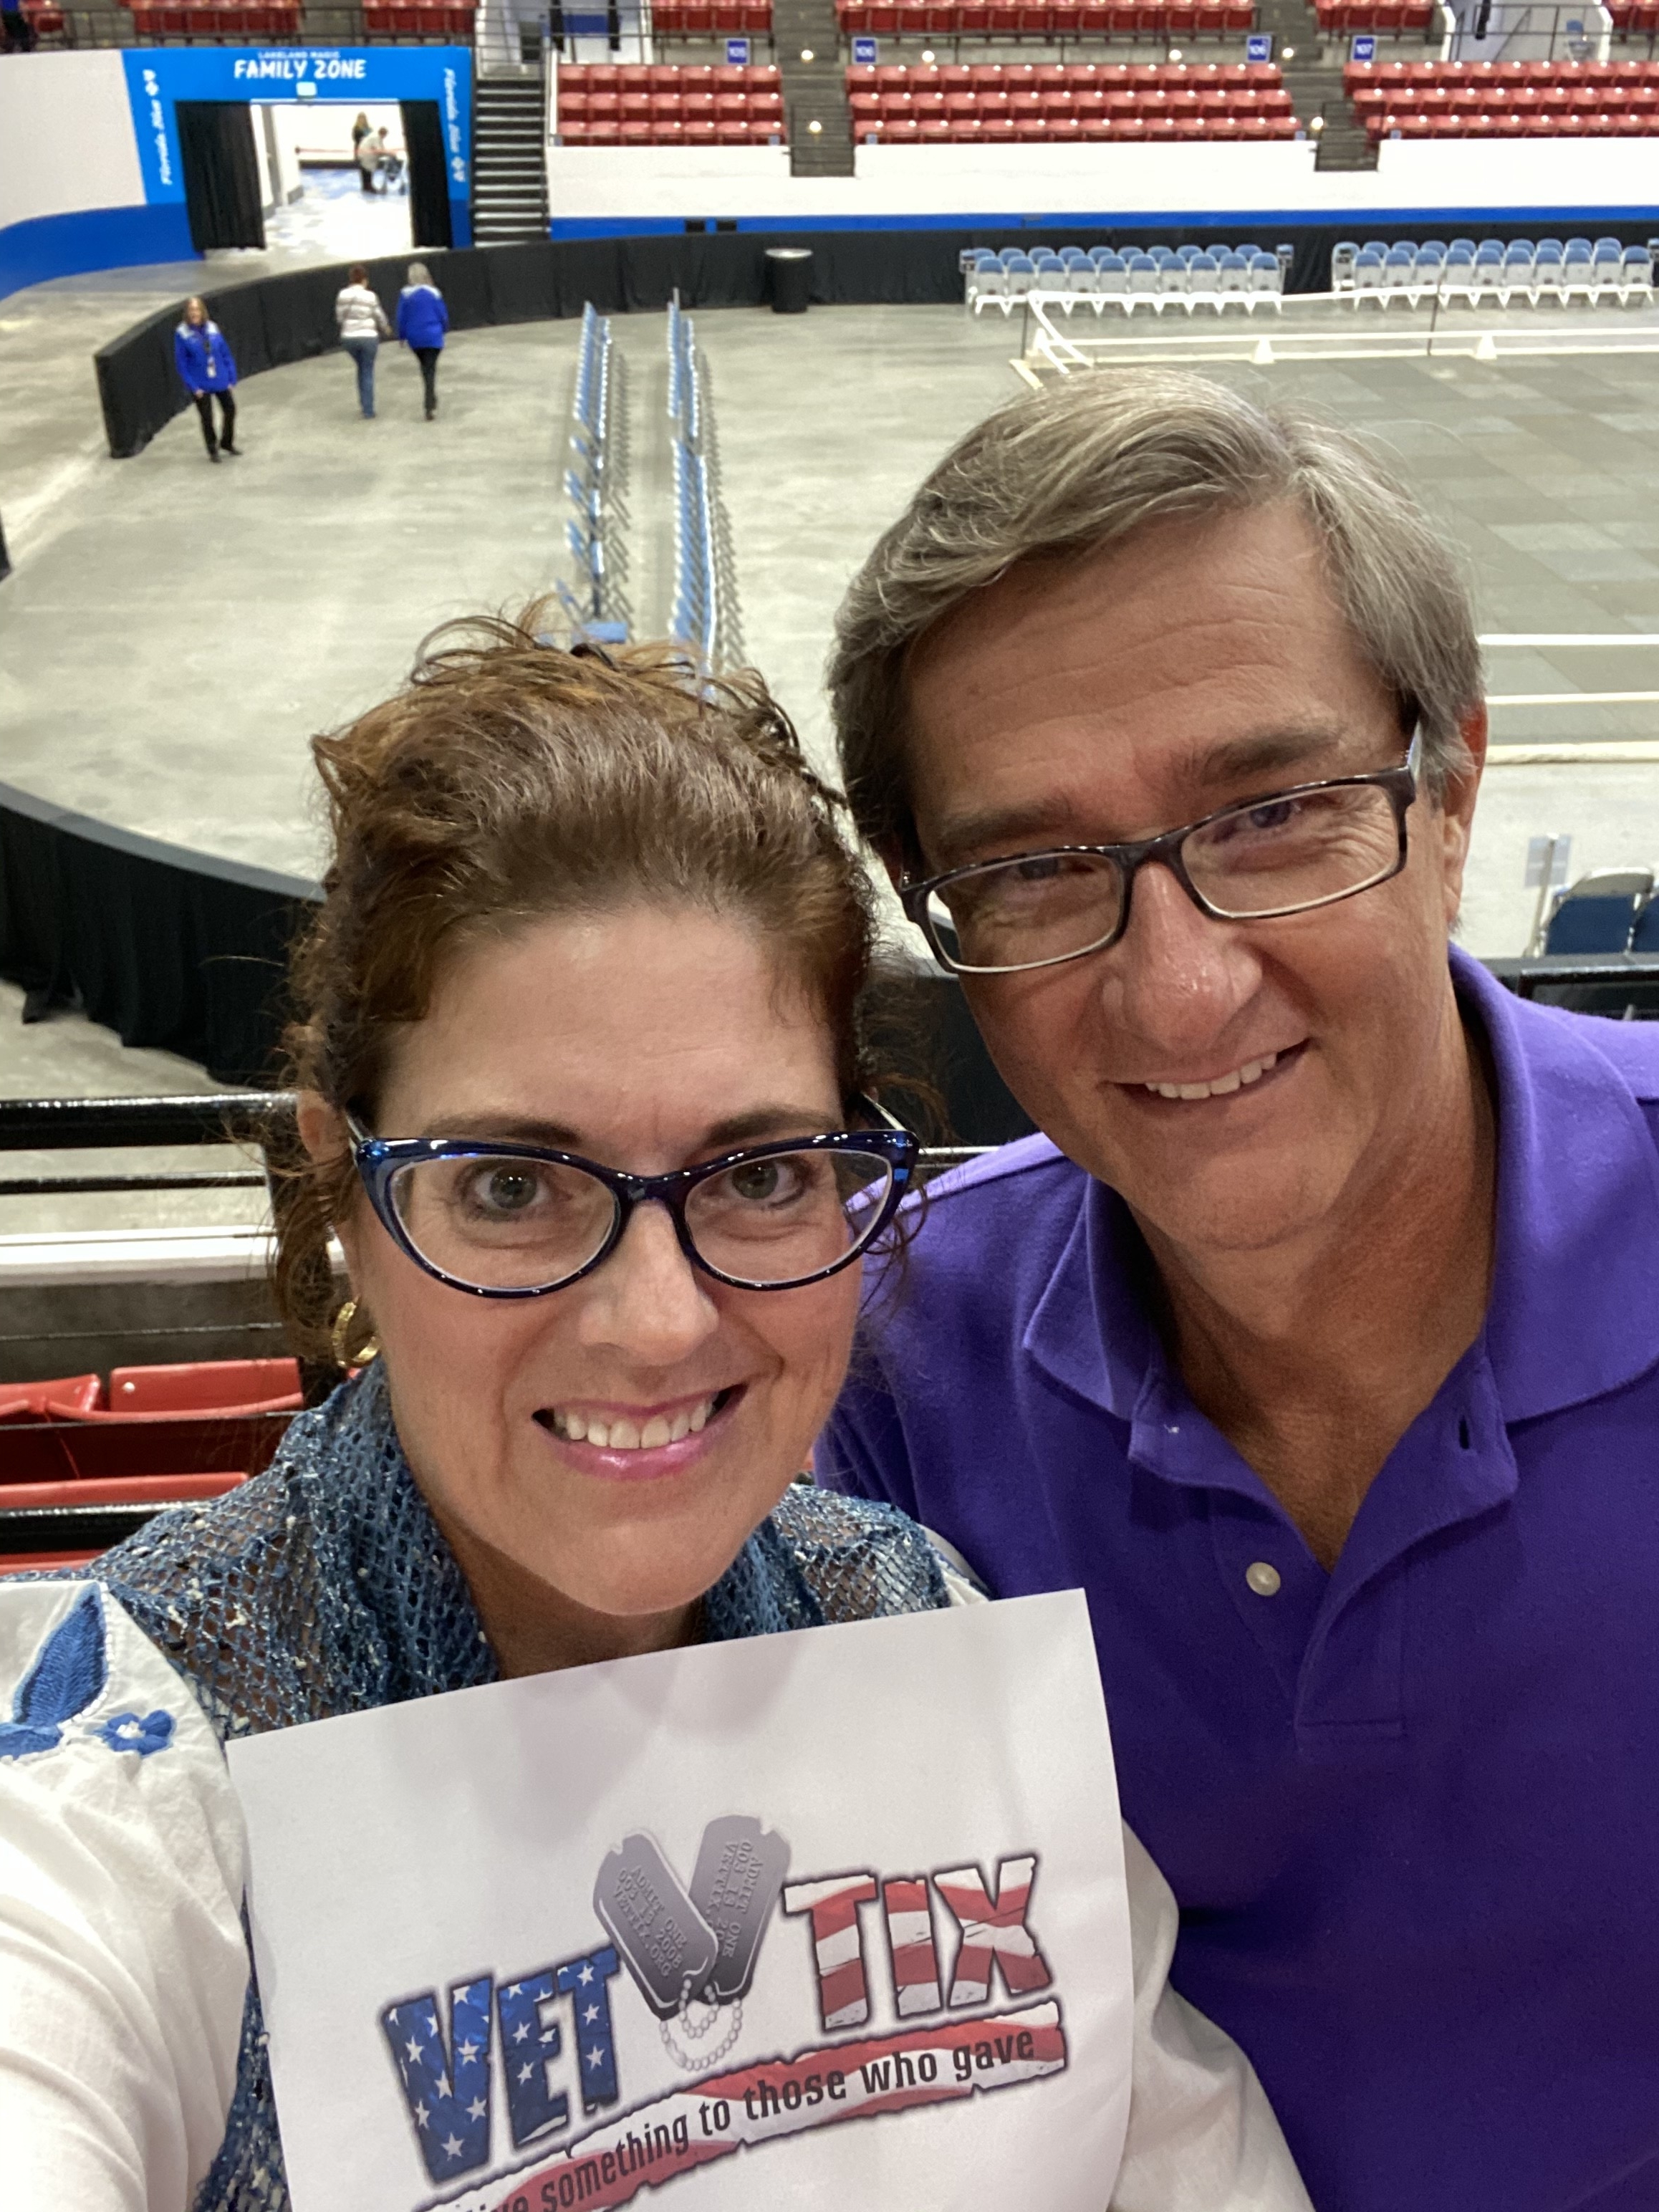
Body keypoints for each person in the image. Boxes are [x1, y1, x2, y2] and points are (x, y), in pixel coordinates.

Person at [0, 613, 1310, 2212]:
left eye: (757, 1174)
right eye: (510, 1185)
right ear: (347, 1187)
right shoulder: (143, 1785)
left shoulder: (911, 1624)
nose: (659, 1322)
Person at [819, 367, 1659, 2212]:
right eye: (1033, 870)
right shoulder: (878, 1362)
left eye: (1273, 811)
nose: (1181, 989)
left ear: (1449, 797)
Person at [172, 295, 239, 463]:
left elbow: (225, 353)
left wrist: (231, 377)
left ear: (202, 311)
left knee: (230, 409)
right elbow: (182, 364)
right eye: (191, 310)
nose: (194, 313)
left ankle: (227, 442)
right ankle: (212, 448)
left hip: (219, 378)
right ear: (187, 313)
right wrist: (193, 387)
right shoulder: (182, 333)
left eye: (197, 309)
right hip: (200, 383)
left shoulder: (212, 328)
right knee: (207, 417)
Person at [335, 263, 391, 420]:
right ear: (364, 280)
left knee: (361, 368)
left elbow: (339, 318)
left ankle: (363, 403)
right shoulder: (370, 296)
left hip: (349, 337)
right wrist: (386, 327)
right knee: (367, 370)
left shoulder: (342, 295)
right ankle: (368, 409)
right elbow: (378, 315)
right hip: (368, 336)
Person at [396, 259, 449, 421]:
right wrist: (443, 329)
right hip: (433, 336)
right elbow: (443, 315)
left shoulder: (405, 295)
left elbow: (401, 318)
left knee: (425, 367)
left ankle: (430, 399)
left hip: (415, 337)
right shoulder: (434, 293)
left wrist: (402, 336)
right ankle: (429, 403)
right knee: (431, 368)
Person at [355, 118, 380, 193]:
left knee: (370, 169)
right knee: (363, 170)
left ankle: (370, 185)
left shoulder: (369, 129)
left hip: (369, 152)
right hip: (361, 151)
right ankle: (365, 186)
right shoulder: (356, 129)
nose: (362, 120)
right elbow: (356, 139)